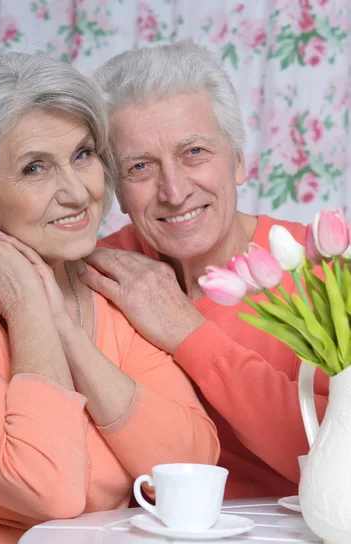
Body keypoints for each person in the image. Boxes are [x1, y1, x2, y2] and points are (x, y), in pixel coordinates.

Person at [0, 52, 219, 544]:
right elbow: (47, 489)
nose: (77, 192)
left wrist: (65, 330)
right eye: (34, 167)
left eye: (82, 155)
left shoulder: (116, 289)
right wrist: (27, 311)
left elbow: (192, 466)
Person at [76, 40, 329, 499]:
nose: (173, 191)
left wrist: (188, 332)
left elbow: (334, 460)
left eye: (193, 152)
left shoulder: (322, 273)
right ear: (116, 191)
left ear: (238, 162)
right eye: (139, 166)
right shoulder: (96, 275)